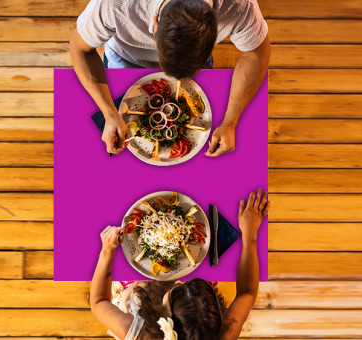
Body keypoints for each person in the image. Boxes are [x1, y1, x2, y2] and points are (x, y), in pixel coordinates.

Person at [70, 0, 271, 156]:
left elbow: (257, 54)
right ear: (155, 24)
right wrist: (108, 113)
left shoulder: (239, 6)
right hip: (125, 60)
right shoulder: (113, 5)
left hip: (197, 70)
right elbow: (79, 49)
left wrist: (230, 122)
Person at [90, 189, 269, 339]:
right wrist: (250, 235)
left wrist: (107, 251)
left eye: (177, 290)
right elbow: (247, 293)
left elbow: (99, 301)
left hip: (137, 292)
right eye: (189, 284)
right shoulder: (221, 335)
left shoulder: (140, 334)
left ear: (165, 319)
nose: (179, 281)